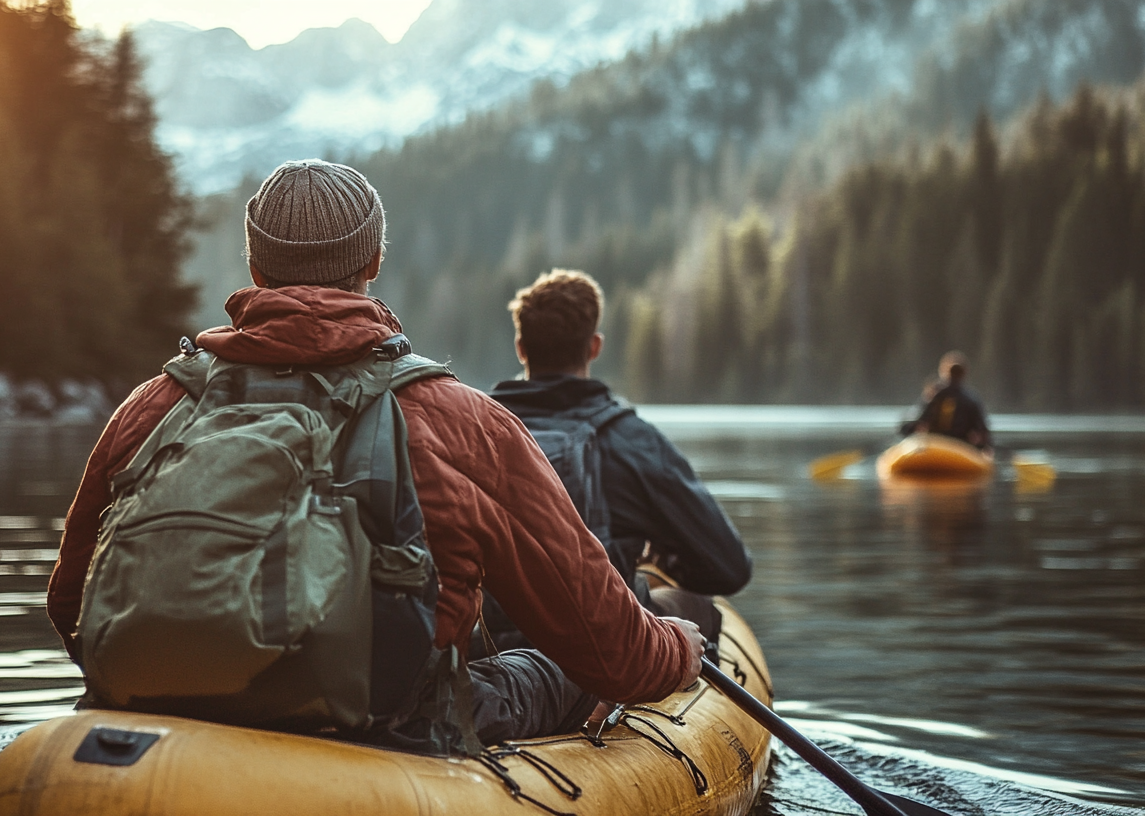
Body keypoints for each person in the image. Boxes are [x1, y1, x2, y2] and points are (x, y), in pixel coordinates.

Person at [46, 160, 703, 750]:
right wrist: (676, 647)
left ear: (255, 269)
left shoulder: (154, 406)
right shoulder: (462, 422)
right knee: (559, 660)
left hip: (155, 719)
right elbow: (611, 652)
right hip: (386, 725)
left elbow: (70, 602)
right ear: (372, 262)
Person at [484, 270, 751, 653]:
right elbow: (729, 568)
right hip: (604, 645)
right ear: (594, 347)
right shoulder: (632, 440)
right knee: (700, 609)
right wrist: (666, 562)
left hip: (493, 646)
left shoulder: (474, 428)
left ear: (521, 348)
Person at [907, 351, 991, 449]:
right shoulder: (971, 399)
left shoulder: (933, 395)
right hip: (957, 446)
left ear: (943, 371)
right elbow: (983, 432)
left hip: (941, 446)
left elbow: (911, 425)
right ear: (964, 373)